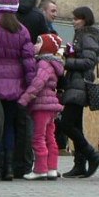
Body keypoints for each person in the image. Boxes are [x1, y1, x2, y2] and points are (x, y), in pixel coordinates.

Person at [0, 0, 36, 182]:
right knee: (9, 127)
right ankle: (8, 167)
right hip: (16, 86)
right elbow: (29, 62)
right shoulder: (22, 31)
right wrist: (30, 87)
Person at [58, 6, 99, 178]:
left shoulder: (88, 36)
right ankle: (79, 165)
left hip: (79, 85)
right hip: (75, 84)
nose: (73, 21)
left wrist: (67, 62)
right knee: (76, 125)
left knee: (66, 124)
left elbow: (88, 62)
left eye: (76, 18)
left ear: (85, 19)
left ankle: (92, 155)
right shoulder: (82, 36)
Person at [19, 33, 65, 180]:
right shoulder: (54, 64)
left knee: (38, 137)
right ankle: (51, 168)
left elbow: (38, 83)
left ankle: (40, 169)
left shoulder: (43, 64)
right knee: (50, 137)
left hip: (41, 105)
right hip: (51, 106)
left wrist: (24, 99)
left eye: (38, 43)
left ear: (46, 47)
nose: (34, 45)